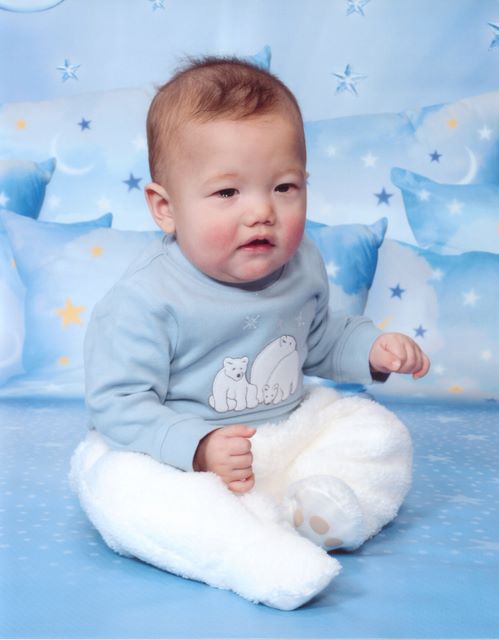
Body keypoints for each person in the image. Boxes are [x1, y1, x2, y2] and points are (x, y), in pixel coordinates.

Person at [70, 56, 430, 610]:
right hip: (181, 459)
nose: (262, 211)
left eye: (284, 186)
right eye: (227, 193)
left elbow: (314, 340)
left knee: (374, 431)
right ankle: (257, 559)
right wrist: (197, 448)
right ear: (166, 207)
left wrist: (371, 349)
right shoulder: (145, 301)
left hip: (284, 432)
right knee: (120, 484)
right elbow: (118, 405)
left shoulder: (301, 263)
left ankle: (325, 507)